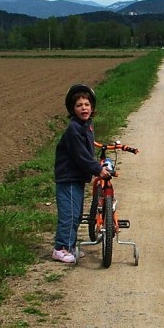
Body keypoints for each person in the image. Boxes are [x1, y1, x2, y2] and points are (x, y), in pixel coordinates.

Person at [52, 83, 111, 263]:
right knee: (69, 214)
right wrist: (97, 169)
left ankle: (70, 246)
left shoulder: (86, 126)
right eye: (79, 105)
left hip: (77, 177)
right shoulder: (74, 129)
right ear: (72, 108)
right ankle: (60, 248)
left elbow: (88, 150)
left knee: (76, 213)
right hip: (68, 177)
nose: (83, 108)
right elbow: (81, 155)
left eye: (86, 104)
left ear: (92, 107)